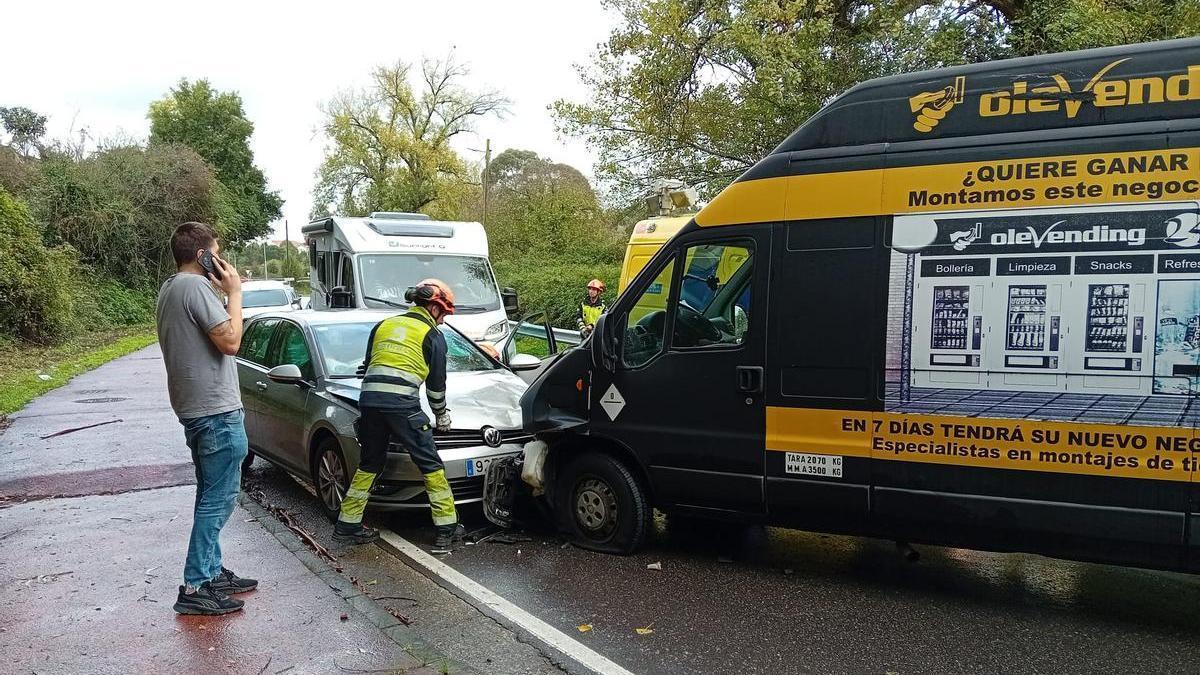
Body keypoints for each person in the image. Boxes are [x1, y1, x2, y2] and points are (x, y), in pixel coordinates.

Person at [156, 221, 257, 616]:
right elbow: (231, 342)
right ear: (204, 255)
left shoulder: (171, 288)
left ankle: (211, 573)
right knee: (219, 499)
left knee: (209, 495)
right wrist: (234, 292)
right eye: (216, 252)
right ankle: (196, 585)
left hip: (196, 409)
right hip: (215, 411)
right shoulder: (195, 287)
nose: (221, 259)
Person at [335, 279, 464, 554]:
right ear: (433, 307)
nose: (443, 321)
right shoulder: (432, 335)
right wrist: (442, 417)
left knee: (370, 463)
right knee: (431, 464)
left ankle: (348, 523)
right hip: (402, 405)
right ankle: (446, 529)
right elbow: (436, 386)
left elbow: (367, 366)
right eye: (444, 314)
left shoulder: (384, 325)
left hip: (369, 403)